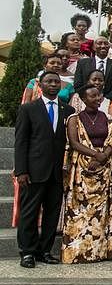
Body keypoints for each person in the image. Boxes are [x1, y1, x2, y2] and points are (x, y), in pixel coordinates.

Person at [14, 72, 75, 268]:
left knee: (52, 213)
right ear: (40, 84)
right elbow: (21, 142)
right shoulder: (29, 109)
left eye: (57, 82)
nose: (54, 85)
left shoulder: (68, 110)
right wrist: (21, 170)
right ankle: (28, 252)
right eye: (49, 81)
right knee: (29, 213)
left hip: (57, 172)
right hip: (33, 171)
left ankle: (45, 250)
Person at [61, 84, 112, 263]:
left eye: (98, 96)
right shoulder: (74, 118)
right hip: (82, 172)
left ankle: (101, 251)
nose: (96, 99)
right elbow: (74, 142)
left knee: (102, 214)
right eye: (92, 96)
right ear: (83, 99)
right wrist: (95, 155)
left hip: (104, 172)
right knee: (80, 212)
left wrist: (103, 157)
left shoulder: (108, 118)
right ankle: (78, 252)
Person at [74, 37, 112, 101]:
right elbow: (77, 84)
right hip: (86, 100)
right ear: (94, 47)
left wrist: (105, 99)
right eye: (99, 43)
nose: (103, 46)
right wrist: (89, 96)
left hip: (108, 101)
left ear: (109, 47)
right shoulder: (83, 63)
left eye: (106, 44)